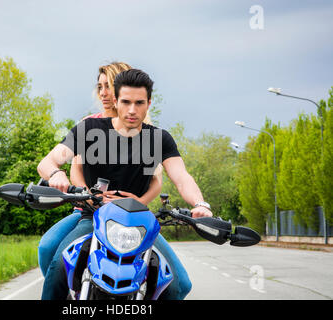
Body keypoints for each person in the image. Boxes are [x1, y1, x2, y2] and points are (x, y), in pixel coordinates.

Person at [38, 69, 212, 300]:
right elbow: (48, 161)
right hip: (94, 216)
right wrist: (55, 173)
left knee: (179, 285)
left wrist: (201, 204)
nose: (132, 110)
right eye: (126, 102)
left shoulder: (159, 139)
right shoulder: (89, 130)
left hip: (138, 221)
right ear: (116, 101)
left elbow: (182, 177)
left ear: (149, 103)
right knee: (60, 267)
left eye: (139, 103)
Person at [37, 62, 161, 276]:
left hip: (133, 218)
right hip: (90, 211)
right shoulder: (89, 124)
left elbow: (156, 180)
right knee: (47, 248)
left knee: (178, 283)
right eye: (99, 87)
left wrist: (139, 203)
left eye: (109, 86)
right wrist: (88, 195)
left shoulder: (147, 131)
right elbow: (76, 169)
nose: (103, 93)